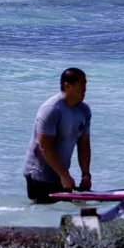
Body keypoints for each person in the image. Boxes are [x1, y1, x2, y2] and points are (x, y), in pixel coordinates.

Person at [23, 67, 92, 203]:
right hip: (39, 175)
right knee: (44, 213)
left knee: (68, 209)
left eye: (86, 84)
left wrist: (86, 175)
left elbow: (84, 145)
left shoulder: (84, 110)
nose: (85, 89)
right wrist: (64, 175)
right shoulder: (51, 109)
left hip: (60, 174)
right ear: (67, 85)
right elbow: (45, 147)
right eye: (81, 84)